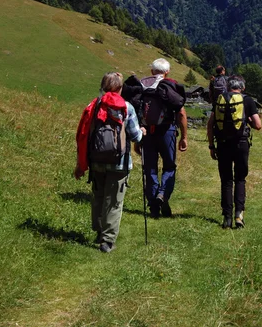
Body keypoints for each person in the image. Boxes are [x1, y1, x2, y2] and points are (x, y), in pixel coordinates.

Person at [74, 72, 145, 253]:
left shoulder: (94, 105)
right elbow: (136, 135)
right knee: (113, 201)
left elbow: (83, 134)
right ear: (120, 88)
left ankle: (99, 232)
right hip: (119, 162)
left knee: (98, 196)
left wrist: (81, 162)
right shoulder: (126, 107)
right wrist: (143, 132)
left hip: (96, 160)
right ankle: (107, 240)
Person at [123, 58, 188, 219]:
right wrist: (184, 137)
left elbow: (135, 111)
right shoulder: (169, 87)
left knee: (149, 168)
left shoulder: (142, 86)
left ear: (152, 71)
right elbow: (180, 113)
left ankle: (153, 205)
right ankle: (163, 195)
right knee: (169, 167)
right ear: (167, 72)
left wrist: (137, 139)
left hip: (146, 133)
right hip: (167, 131)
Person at [207, 74, 262, 229]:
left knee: (226, 180)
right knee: (240, 179)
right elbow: (258, 125)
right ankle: (239, 215)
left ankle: (226, 218)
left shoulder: (220, 100)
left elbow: (210, 125)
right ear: (242, 87)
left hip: (223, 144)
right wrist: (248, 121)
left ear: (227, 86)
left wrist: (211, 146)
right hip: (241, 144)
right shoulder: (248, 100)